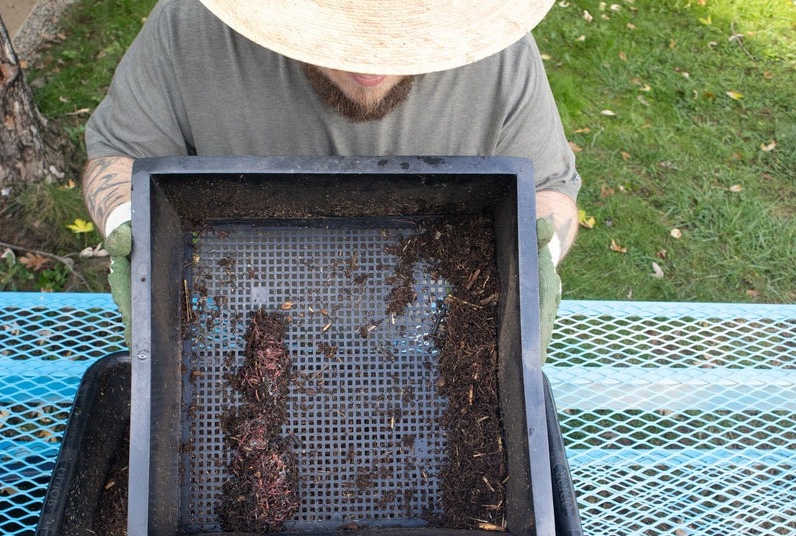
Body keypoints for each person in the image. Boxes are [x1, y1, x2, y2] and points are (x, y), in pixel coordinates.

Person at [82, 0, 578, 354]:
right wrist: (128, 220)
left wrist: (538, 255)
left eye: (403, 23)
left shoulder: (493, 47)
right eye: (344, 24)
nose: (371, 59)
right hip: (235, 333)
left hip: (425, 339)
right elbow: (120, 154)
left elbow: (547, 188)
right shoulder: (190, 26)